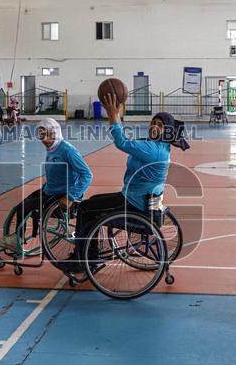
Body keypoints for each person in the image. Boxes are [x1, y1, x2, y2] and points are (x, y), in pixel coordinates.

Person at [54, 94, 189, 275]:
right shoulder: (157, 146)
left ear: (167, 131)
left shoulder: (153, 150)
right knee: (94, 202)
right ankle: (88, 254)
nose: (154, 127)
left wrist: (110, 114)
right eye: (153, 123)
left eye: (159, 125)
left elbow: (121, 142)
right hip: (138, 199)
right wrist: (117, 115)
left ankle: (86, 259)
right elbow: (128, 140)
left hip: (133, 203)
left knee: (86, 209)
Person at [0, 119, 92, 253]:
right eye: (41, 136)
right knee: (19, 207)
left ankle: (16, 240)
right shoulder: (53, 148)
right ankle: (15, 238)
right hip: (50, 190)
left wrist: (71, 196)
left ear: (56, 133)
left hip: (64, 195)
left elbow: (87, 175)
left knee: (25, 207)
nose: (45, 139)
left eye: (48, 135)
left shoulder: (68, 151)